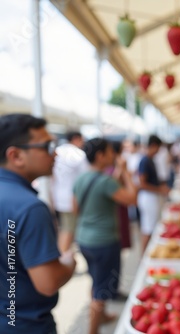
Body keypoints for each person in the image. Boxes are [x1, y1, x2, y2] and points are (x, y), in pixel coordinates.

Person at [0, 114, 76, 334]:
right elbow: (48, 282)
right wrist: (69, 262)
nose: (55, 153)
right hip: (24, 324)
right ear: (16, 156)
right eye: (47, 146)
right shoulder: (29, 208)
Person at [73, 138, 137, 334]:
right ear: (100, 156)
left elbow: (75, 209)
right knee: (101, 289)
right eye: (110, 152)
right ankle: (93, 330)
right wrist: (125, 171)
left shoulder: (82, 178)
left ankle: (102, 315)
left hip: (84, 239)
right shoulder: (105, 182)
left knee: (96, 280)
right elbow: (132, 198)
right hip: (104, 242)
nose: (114, 156)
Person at [51, 130, 89, 253]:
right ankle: (62, 256)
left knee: (66, 228)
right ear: (76, 139)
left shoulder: (57, 152)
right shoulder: (79, 154)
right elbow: (86, 178)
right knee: (68, 229)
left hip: (58, 198)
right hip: (72, 199)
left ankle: (65, 255)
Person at [137, 135, 170, 253]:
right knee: (148, 228)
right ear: (153, 146)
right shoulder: (145, 160)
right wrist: (159, 189)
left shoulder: (150, 160)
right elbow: (142, 183)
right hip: (148, 197)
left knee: (151, 226)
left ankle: (147, 253)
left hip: (152, 196)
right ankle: (144, 255)